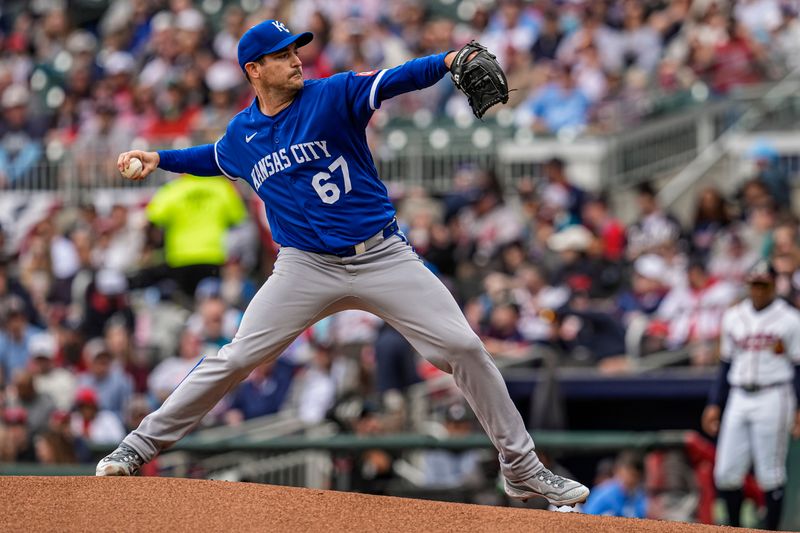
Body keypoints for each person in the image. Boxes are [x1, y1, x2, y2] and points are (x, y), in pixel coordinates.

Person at [96, 19, 589, 507]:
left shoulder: (331, 95)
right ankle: (136, 447)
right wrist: (160, 158)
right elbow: (214, 157)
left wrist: (448, 61)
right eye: (283, 54)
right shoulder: (244, 135)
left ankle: (522, 469)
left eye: (296, 51)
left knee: (464, 347)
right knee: (237, 356)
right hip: (304, 267)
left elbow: (394, 79)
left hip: (381, 256)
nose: (296, 60)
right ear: (254, 70)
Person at [701, 261, 800, 530]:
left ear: (773, 285)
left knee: (770, 473)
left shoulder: (790, 319)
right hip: (738, 396)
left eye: (763, 285)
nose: (757, 290)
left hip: (774, 394)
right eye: (754, 284)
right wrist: (714, 403)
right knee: (726, 474)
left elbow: (798, 366)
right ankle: (734, 528)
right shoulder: (734, 316)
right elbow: (725, 364)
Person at [583, 450, 648, 518]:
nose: (632, 479)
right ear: (618, 470)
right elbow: (586, 517)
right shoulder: (603, 492)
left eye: (636, 476)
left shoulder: (639, 496)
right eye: (630, 474)